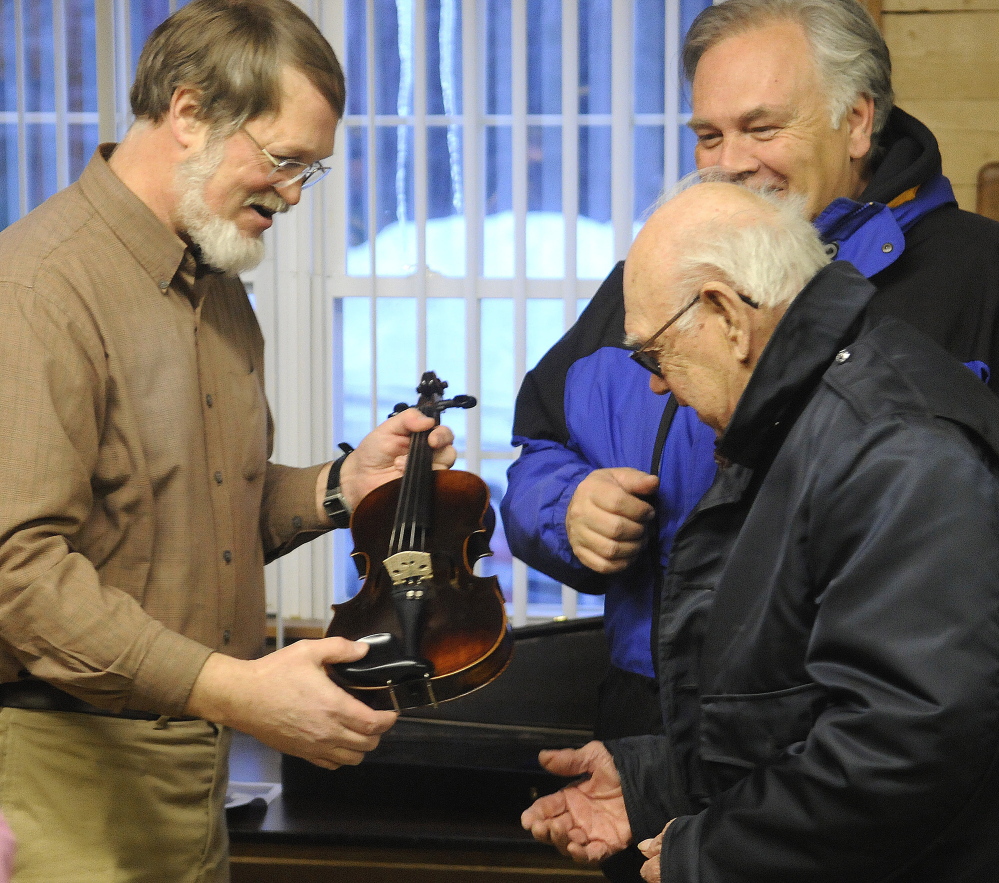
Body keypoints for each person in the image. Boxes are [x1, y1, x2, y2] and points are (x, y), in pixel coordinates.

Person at [500, 5, 999, 874]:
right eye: (706, 134)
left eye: (760, 127)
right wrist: (565, 506)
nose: (729, 161)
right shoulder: (666, 268)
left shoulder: (972, 278)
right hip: (662, 746)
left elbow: (916, 717)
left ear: (857, 119)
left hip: (846, 781)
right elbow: (535, 451)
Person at [0, 1, 456, 880]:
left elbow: (196, 517)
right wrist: (236, 688)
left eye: (309, 173)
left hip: (192, 766)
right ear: (187, 112)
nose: (291, 195)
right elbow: (17, 573)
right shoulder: (37, 290)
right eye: (284, 161)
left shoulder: (212, 283)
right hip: (62, 773)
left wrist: (343, 484)